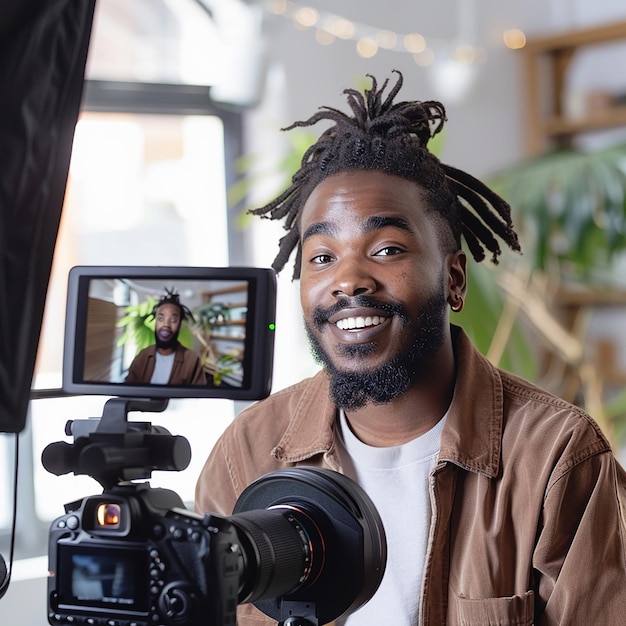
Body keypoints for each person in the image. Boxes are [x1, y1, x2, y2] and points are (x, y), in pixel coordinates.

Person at [194, 71, 626, 625]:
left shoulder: (555, 458)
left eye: (387, 248)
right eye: (322, 257)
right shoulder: (246, 452)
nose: (348, 280)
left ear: (454, 280)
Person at [125, 289, 206, 386]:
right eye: (160, 319)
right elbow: (128, 391)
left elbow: (198, 398)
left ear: (180, 325)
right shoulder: (143, 356)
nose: (166, 325)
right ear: (155, 323)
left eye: (173, 320)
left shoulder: (192, 360)